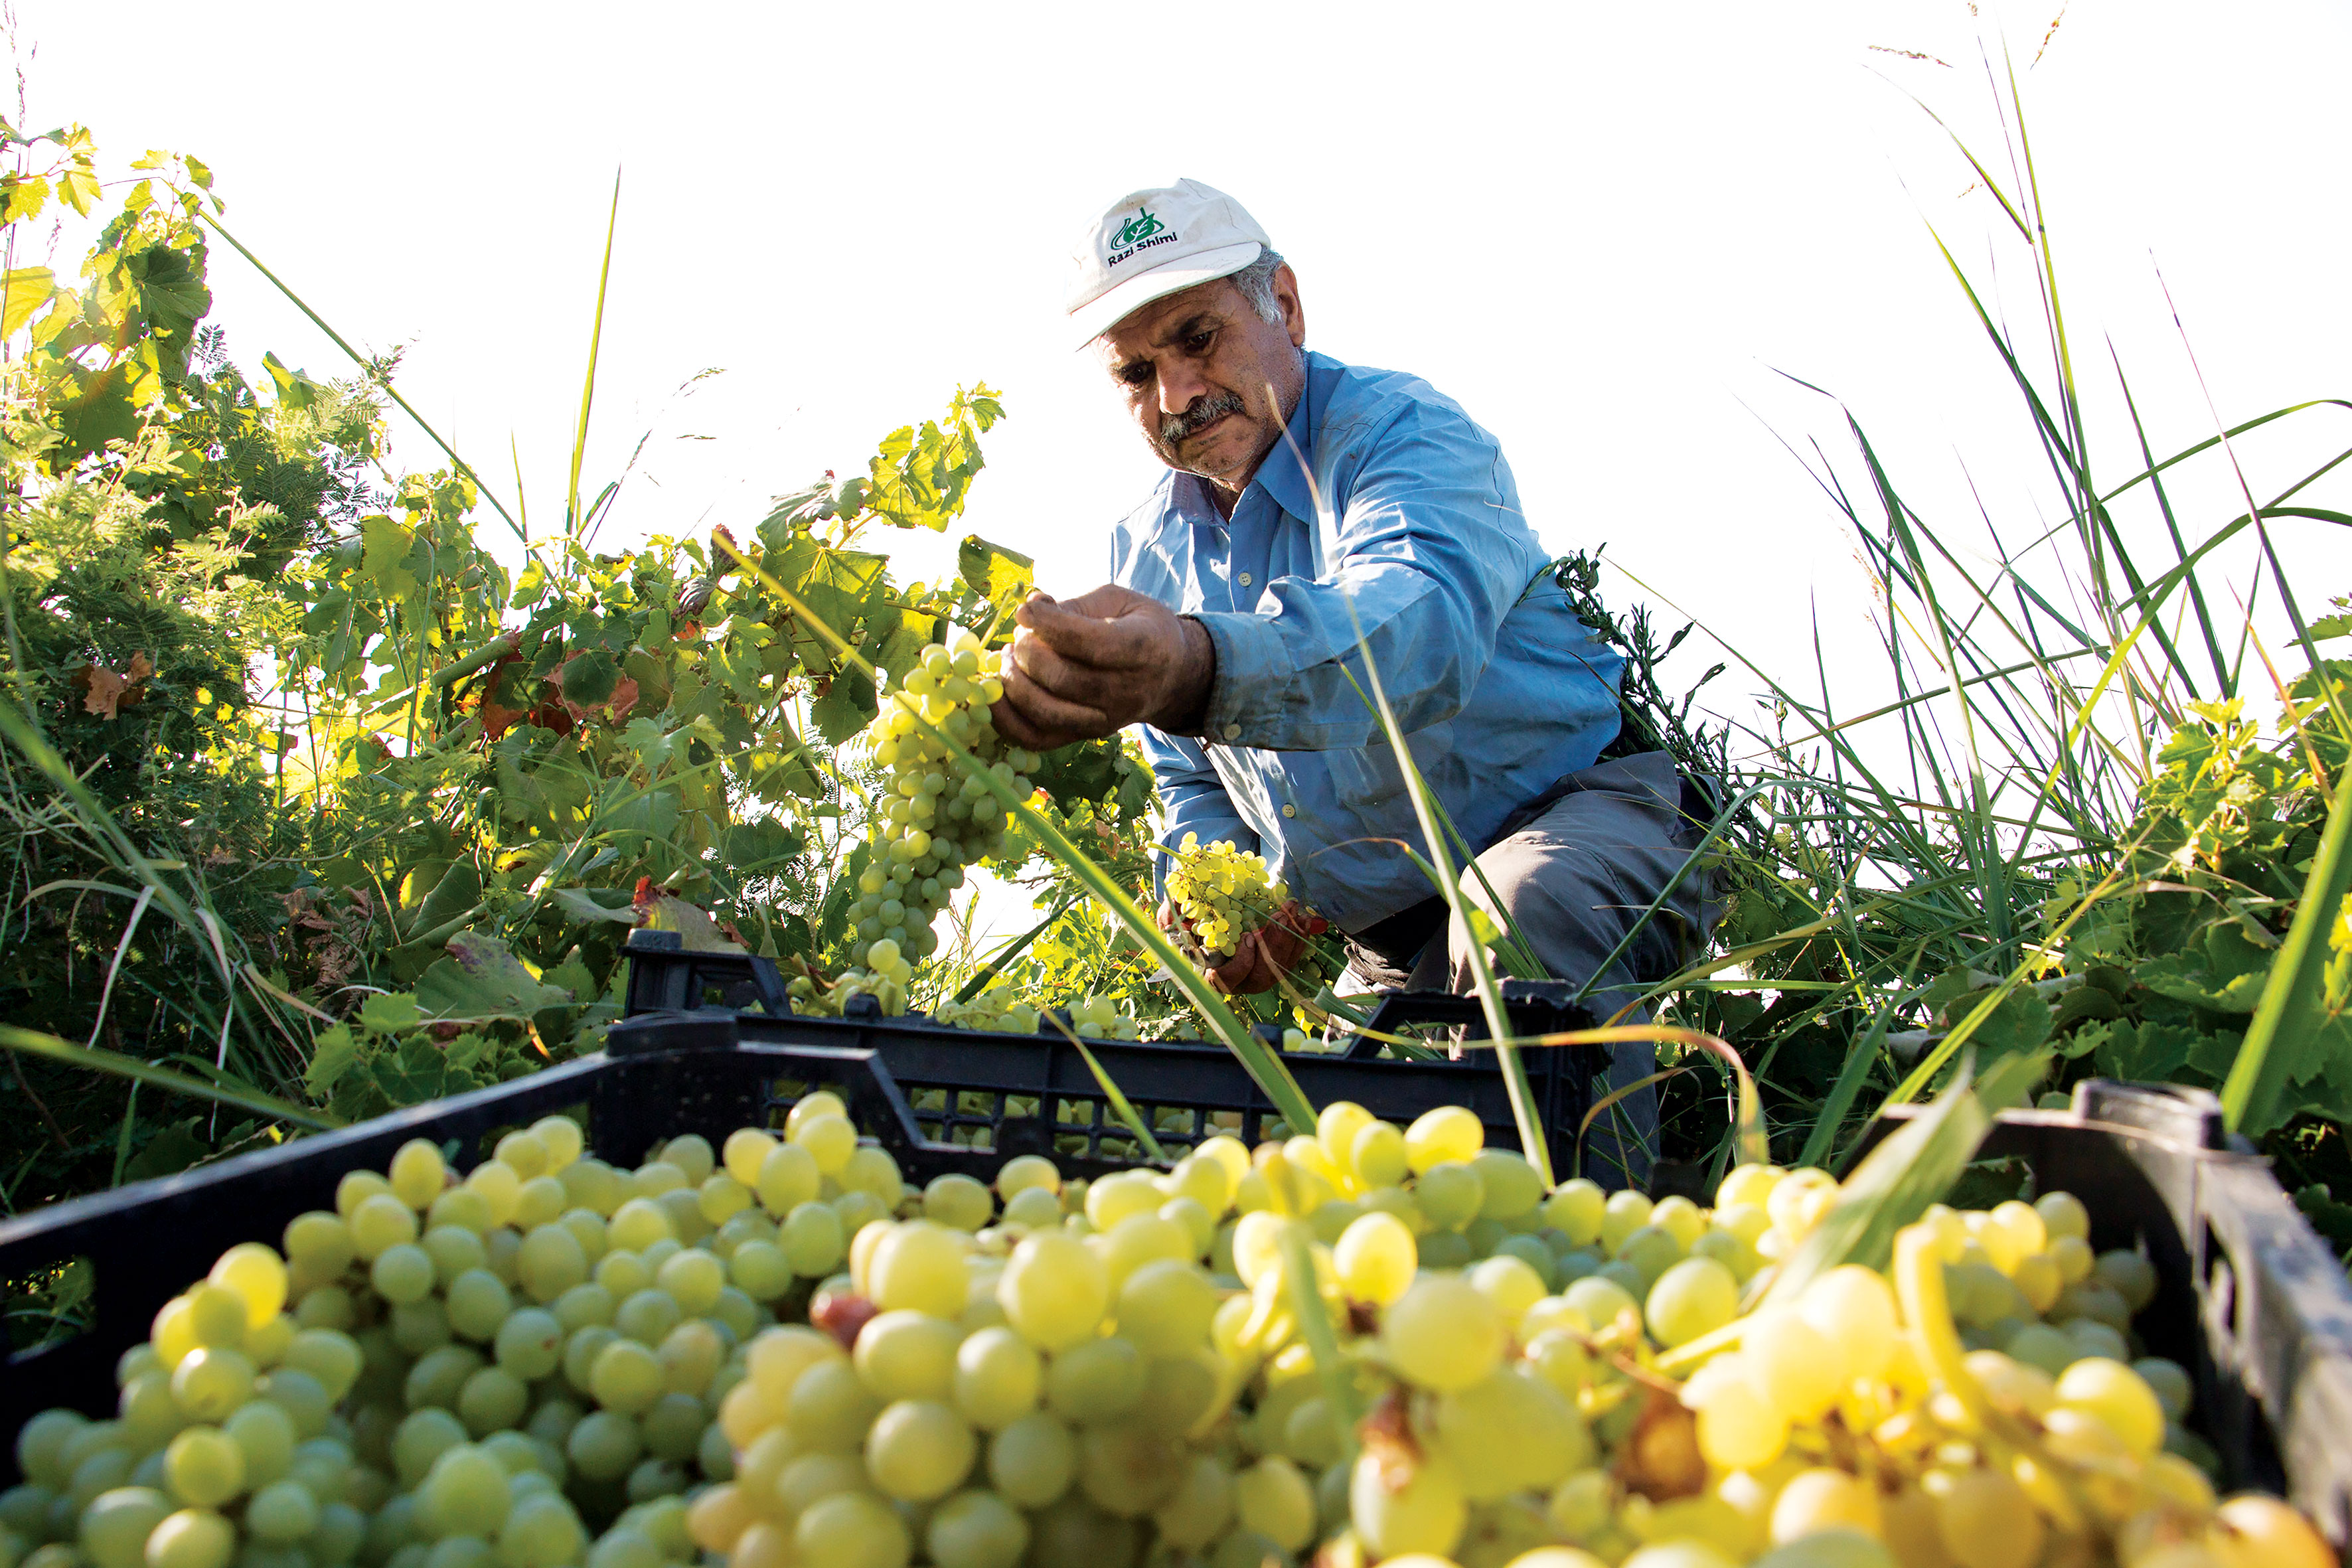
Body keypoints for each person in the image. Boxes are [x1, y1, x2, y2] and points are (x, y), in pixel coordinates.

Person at [987, 179, 1713, 1183]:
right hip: (1386, 938)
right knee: (1373, 1188)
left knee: (1517, 922)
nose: (1176, 396)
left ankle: (1605, 1288)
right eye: (1135, 372)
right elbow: (1194, 781)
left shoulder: (1402, 436)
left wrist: (1202, 664)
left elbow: (1415, 630)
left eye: (1198, 337)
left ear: (1283, 304)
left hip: (1574, 823)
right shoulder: (1146, 544)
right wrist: (1232, 897)